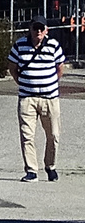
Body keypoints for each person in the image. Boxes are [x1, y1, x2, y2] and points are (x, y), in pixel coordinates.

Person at [8, 19, 67, 181]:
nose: (38, 32)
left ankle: (50, 166)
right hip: (28, 98)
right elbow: (12, 67)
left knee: (53, 134)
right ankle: (31, 170)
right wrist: (21, 82)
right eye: (35, 28)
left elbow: (60, 67)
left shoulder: (53, 45)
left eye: (41, 29)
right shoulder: (20, 45)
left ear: (46, 30)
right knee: (27, 135)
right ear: (30, 29)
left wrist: (52, 83)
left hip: (50, 98)